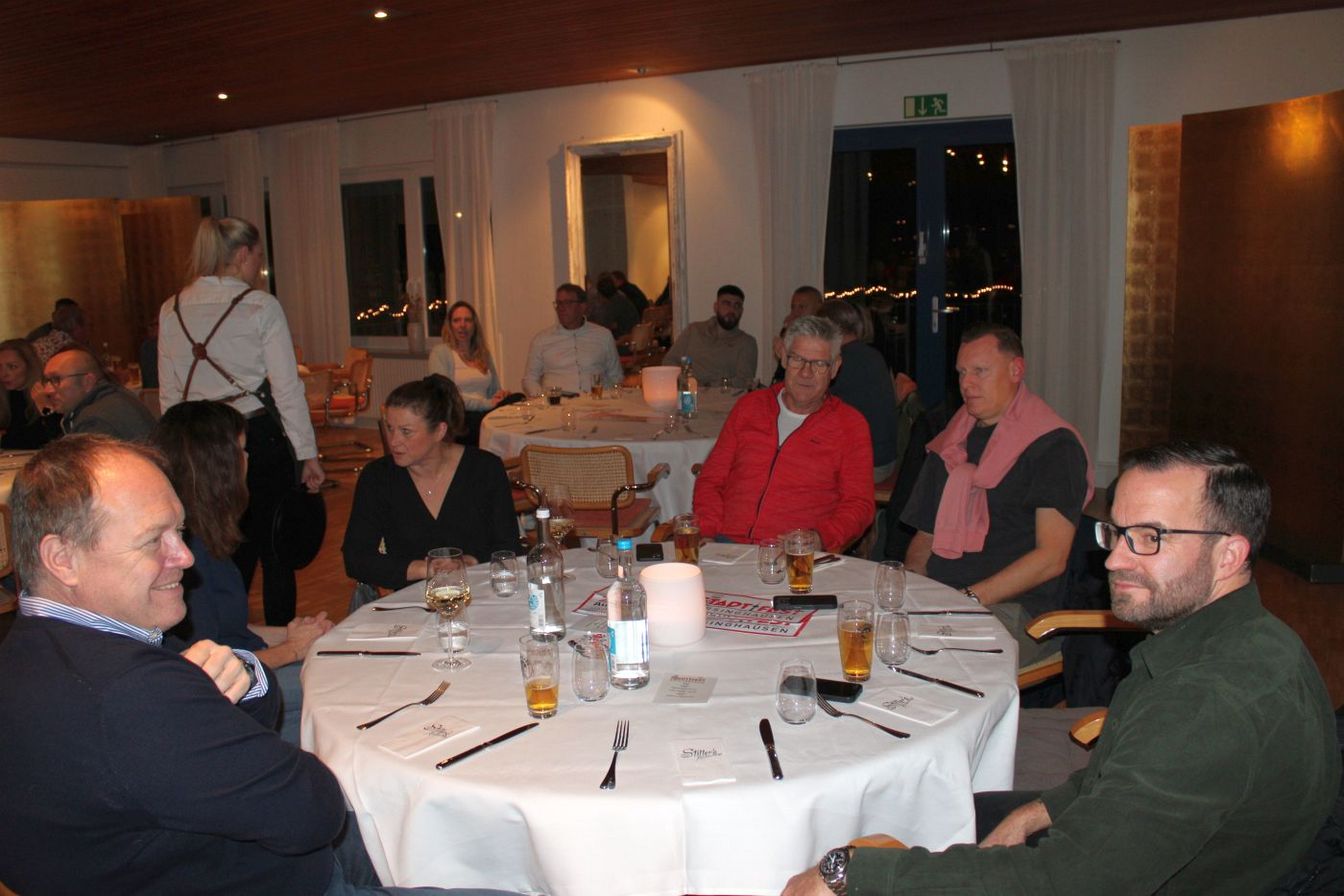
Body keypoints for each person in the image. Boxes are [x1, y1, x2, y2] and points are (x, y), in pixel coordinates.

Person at [782, 440, 1340, 896]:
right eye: (1116, 532)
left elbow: (1064, 881)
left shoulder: (1207, 704)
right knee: (927, 809)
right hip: (1135, 848)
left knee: (875, 843)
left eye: (1150, 538)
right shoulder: (1246, 635)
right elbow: (1128, 775)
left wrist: (852, 875)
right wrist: (1041, 809)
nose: (1115, 559)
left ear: (1229, 555)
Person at [0, 435, 515, 896]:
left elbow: (234, 716)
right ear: (62, 559)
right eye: (153, 539)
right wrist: (198, 706)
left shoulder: (35, 650)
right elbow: (314, 811)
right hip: (288, 876)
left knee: (450, 835)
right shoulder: (131, 692)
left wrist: (237, 677)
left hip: (235, 852)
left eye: (180, 531)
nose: (184, 557)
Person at [158, 215, 325, 626]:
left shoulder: (171, 308)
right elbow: (287, 389)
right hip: (253, 437)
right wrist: (307, 454)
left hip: (196, 442)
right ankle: (284, 637)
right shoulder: (260, 306)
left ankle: (221, 631)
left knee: (211, 546)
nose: (258, 268)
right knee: (275, 548)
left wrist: (171, 457)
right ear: (244, 254)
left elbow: (169, 394)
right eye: (258, 258)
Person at [900, 323, 1092, 666]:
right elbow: (925, 536)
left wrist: (966, 600)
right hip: (945, 601)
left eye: (980, 371)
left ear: (1016, 370)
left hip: (1017, 611)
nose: (966, 384)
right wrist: (911, 592)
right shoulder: (952, 441)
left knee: (923, 659)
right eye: (961, 372)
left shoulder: (1052, 446)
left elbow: (1052, 557)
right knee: (872, 635)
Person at [152, 400, 334, 744]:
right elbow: (208, 665)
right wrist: (293, 648)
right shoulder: (186, 552)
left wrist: (292, 633)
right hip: (230, 687)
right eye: (241, 450)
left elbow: (226, 627)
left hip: (246, 664)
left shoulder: (203, 532)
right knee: (338, 688)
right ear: (219, 465)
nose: (248, 458)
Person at [694, 316, 873, 552]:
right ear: (784, 357)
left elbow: (859, 504)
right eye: (798, 359)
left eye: (819, 364)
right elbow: (711, 479)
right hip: (727, 545)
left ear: (835, 367)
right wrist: (708, 531)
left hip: (793, 553)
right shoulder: (750, 407)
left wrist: (821, 538)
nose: (806, 373)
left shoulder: (849, 425)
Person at [344, 375, 520, 590]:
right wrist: (423, 569)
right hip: (412, 600)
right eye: (389, 428)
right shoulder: (378, 477)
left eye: (406, 432)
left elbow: (509, 546)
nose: (393, 441)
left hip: (479, 591)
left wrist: (469, 561)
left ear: (439, 431)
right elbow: (356, 558)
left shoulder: (484, 469)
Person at [816, 299, 900, 482]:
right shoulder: (872, 355)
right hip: (885, 457)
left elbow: (812, 404)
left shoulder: (843, 362)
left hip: (869, 464)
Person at [428, 300, 517, 445]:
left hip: (486, 412)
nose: (462, 325)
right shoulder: (440, 353)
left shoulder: (483, 353)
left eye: (467, 320)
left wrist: (501, 395)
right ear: (450, 325)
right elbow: (446, 395)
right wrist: (485, 404)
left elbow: (495, 390)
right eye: (457, 320)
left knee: (518, 398)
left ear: (474, 325)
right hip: (460, 415)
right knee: (484, 424)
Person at [521, 282, 623, 395]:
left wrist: (607, 397)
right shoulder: (542, 340)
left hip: (595, 400)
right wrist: (542, 398)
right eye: (559, 303)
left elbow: (616, 376)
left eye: (568, 303)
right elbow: (530, 379)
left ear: (582, 306)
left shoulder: (603, 336)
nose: (561, 308)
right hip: (557, 402)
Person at [42, 346, 156, 441]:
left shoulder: (95, 423)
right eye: (46, 381)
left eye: (56, 380)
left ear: (88, 381)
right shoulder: (116, 395)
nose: (47, 390)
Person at [665, 284, 758, 389]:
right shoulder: (694, 331)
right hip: (688, 394)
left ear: (741, 311)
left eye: (737, 306)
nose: (731, 310)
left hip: (723, 396)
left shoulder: (747, 343)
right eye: (726, 304)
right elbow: (669, 362)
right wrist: (686, 383)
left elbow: (744, 381)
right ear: (716, 307)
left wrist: (709, 386)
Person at [0, 337, 60, 449]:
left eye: (12, 367)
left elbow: (58, 437)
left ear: (30, 367)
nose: (3, 374)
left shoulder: (48, 392)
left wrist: (45, 407)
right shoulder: (5, 396)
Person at [772, 286, 823, 382]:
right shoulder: (790, 333)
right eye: (793, 307)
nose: (795, 313)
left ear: (818, 308)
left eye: (801, 307)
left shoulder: (823, 339)